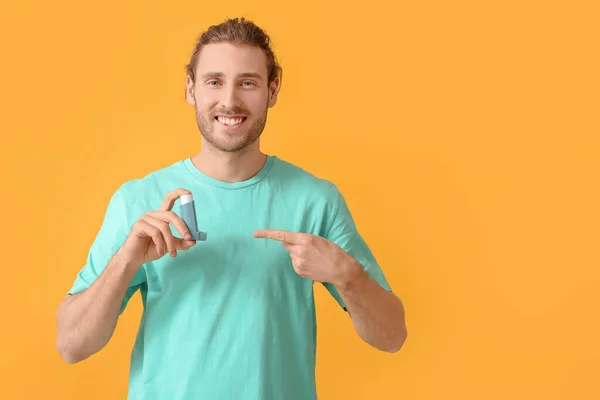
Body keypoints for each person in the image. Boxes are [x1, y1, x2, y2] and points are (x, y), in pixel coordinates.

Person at [55, 17, 407, 400]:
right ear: (190, 89)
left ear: (273, 89)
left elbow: (392, 337)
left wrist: (348, 276)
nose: (230, 100)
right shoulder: (139, 200)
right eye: (214, 81)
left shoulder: (315, 200)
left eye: (248, 82)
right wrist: (126, 261)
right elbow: (72, 345)